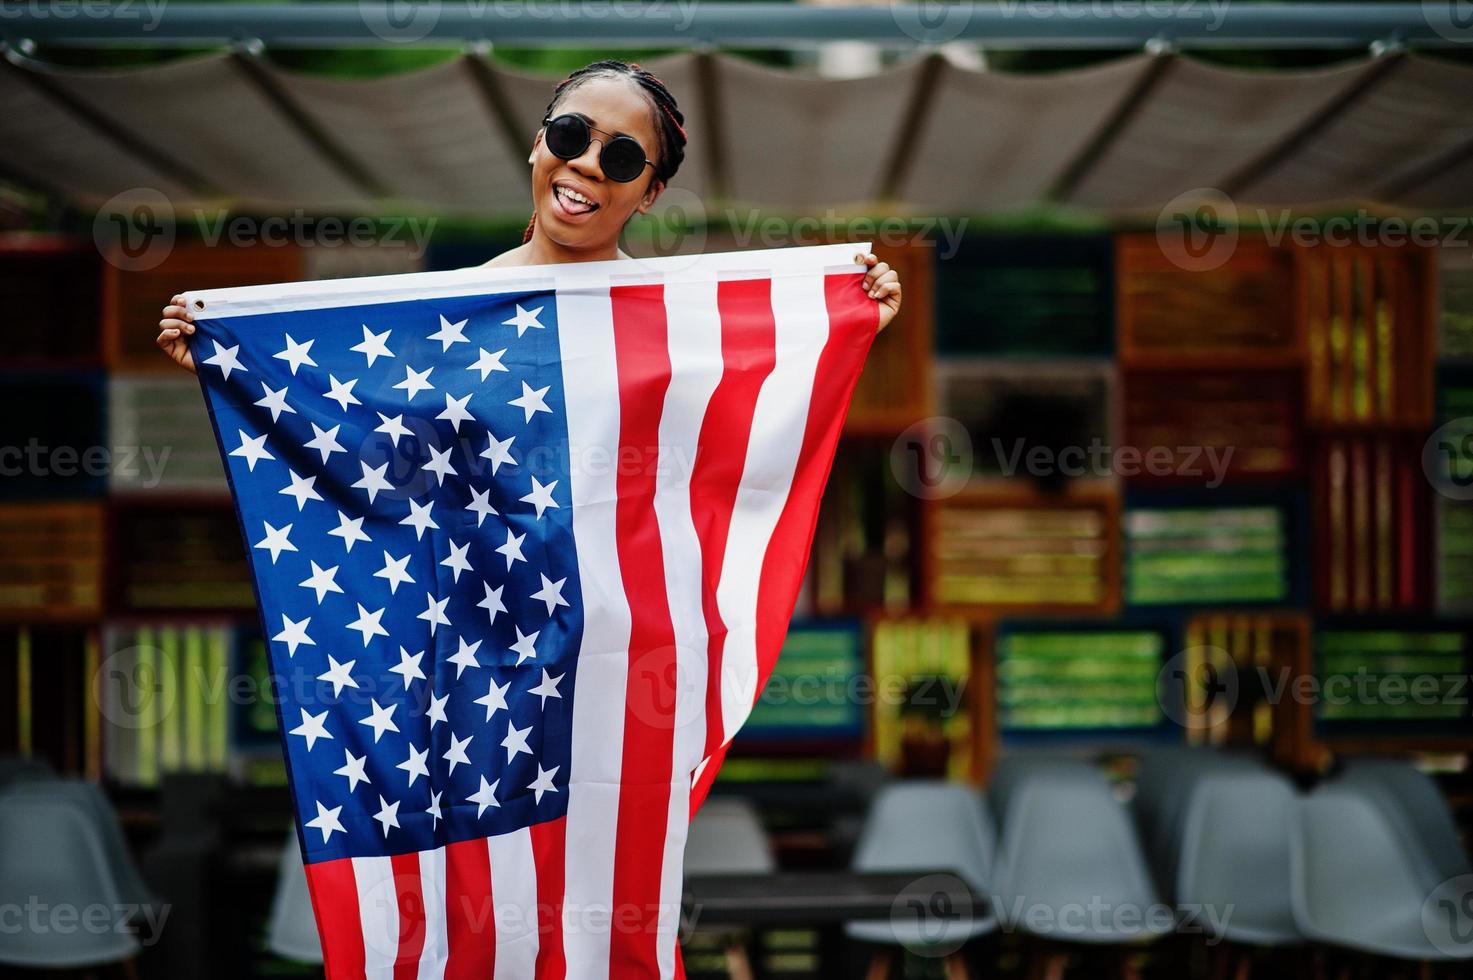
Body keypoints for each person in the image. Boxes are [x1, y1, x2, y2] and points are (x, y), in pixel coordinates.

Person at [156, 58, 901, 373]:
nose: (583, 165)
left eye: (619, 159)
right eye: (572, 135)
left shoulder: (671, 324)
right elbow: (365, 449)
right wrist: (228, 360)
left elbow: (748, 437)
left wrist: (848, 321)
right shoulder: (446, 310)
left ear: (647, 196)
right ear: (537, 142)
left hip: (618, 656)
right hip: (479, 650)